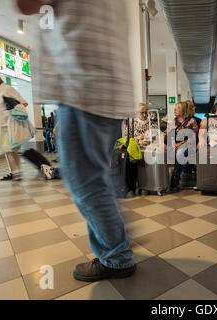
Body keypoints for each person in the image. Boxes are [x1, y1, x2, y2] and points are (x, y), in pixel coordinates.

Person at [16, 0, 136, 281]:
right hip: (102, 84)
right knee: (97, 178)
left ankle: (117, 255)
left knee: (85, 181)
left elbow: (26, 3)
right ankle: (116, 240)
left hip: (84, 84)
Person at [0, 70, 28, 181]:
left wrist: (10, 113)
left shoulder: (7, 89)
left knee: (11, 149)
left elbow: (23, 103)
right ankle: (15, 172)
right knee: (8, 150)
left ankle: (16, 172)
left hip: (9, 124)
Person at [164, 101, 199, 190]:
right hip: (175, 145)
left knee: (181, 152)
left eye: (178, 108)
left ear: (183, 110)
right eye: (175, 108)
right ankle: (166, 177)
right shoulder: (172, 122)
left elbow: (193, 137)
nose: (175, 109)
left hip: (189, 145)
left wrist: (180, 144)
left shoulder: (191, 121)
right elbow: (168, 136)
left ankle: (176, 176)